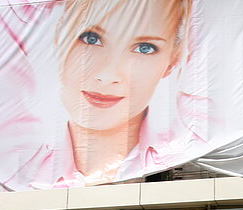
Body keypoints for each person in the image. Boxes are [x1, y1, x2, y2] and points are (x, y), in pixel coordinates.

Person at [46, 0, 194, 187]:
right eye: (91, 38)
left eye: (144, 48)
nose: (108, 76)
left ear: (173, 59)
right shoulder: (9, 164)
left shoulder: (189, 148)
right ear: (60, 36)